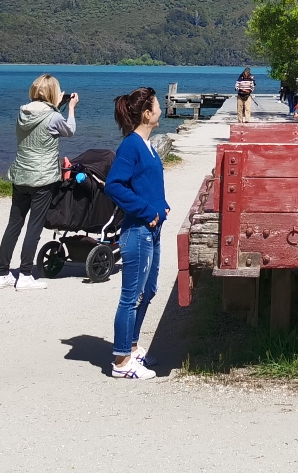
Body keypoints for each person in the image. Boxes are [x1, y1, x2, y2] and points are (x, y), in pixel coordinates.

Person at [104, 87, 169, 380]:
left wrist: (162, 206)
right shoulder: (131, 145)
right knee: (131, 297)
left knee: (150, 290)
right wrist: (147, 211)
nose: (161, 108)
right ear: (146, 113)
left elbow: (148, 184)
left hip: (152, 230)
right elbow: (114, 185)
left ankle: (131, 346)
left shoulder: (148, 144)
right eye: (157, 104)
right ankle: (121, 361)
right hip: (138, 231)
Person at [0, 74, 77, 291]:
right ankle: (25, 274)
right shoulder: (54, 117)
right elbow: (69, 130)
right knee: (34, 226)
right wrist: (71, 108)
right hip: (42, 178)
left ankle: (2, 273)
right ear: (52, 94)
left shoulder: (22, 113)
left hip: (21, 174)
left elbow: (42, 119)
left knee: (14, 224)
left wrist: (57, 105)